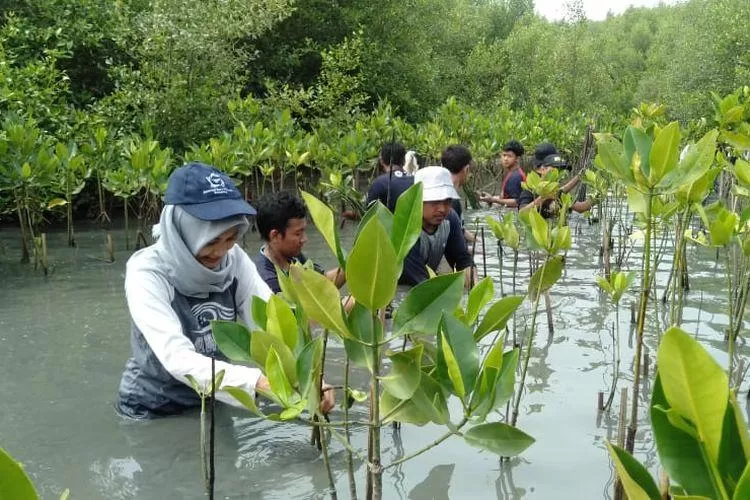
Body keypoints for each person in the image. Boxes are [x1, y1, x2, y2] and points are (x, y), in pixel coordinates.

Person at [115, 162, 334, 419]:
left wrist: (308, 376)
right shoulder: (147, 271)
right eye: (210, 241)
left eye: (229, 238)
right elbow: (176, 357)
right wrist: (257, 382)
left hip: (216, 398)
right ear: (184, 233)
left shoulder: (234, 259)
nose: (220, 252)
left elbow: (269, 321)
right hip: (152, 408)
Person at [254, 191, 346, 294]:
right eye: (298, 234)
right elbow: (313, 306)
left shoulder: (291, 256)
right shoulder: (267, 281)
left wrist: (351, 267)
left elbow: (322, 284)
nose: (304, 239)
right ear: (275, 235)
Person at [400, 166, 477, 287]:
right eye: (435, 202)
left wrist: (474, 289)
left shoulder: (450, 218)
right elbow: (421, 283)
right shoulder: (405, 228)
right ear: (419, 200)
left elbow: (463, 259)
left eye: (447, 201)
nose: (442, 209)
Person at [518, 143, 595, 217]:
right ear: (541, 169)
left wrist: (597, 196)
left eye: (560, 169)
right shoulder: (530, 190)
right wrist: (543, 198)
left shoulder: (557, 191)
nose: (558, 173)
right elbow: (521, 213)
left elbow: (582, 208)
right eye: (555, 169)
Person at [440, 144, 476, 244]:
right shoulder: (452, 200)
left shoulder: (439, 192)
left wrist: (478, 242)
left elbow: (460, 230)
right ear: (466, 169)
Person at [365, 142, 413, 212]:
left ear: (381, 161)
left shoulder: (378, 183)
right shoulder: (416, 180)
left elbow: (369, 213)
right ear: (404, 160)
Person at [479, 140, 526, 208]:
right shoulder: (513, 173)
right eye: (504, 155)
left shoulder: (516, 177)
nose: (505, 159)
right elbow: (506, 197)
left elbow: (516, 202)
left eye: (509, 156)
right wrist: (490, 199)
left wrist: (493, 199)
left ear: (517, 159)